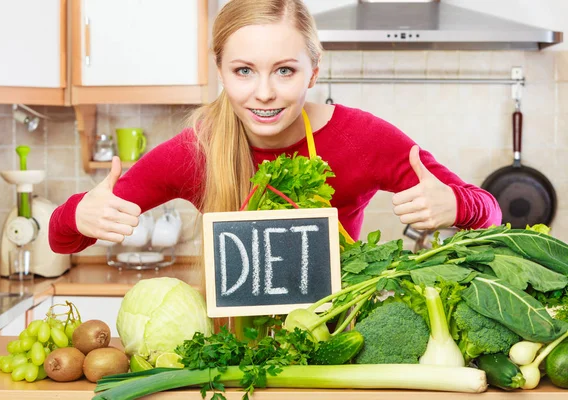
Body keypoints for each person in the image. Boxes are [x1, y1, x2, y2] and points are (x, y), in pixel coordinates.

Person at [48, 0, 501, 254]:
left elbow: (491, 212)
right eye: (244, 70)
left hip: (337, 343)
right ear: (220, 71)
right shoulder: (195, 150)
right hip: (235, 351)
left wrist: (459, 205)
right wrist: (78, 214)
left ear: (314, 71)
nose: (264, 93)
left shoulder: (364, 139)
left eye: (284, 70)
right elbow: (61, 238)